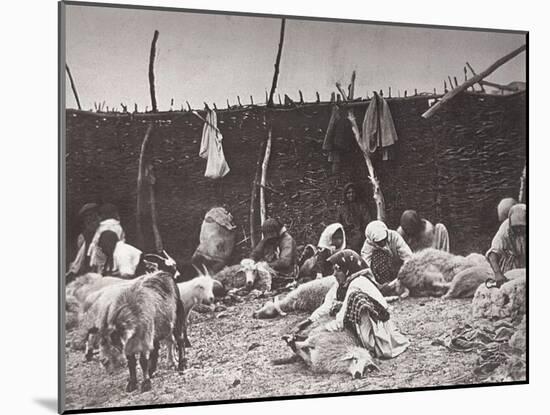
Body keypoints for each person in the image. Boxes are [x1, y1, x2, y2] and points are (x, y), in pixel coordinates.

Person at [294, 250, 409, 359]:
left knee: (355, 301)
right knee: (337, 308)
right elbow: (327, 305)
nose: (334, 274)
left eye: (338, 270)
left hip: (378, 331)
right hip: (364, 326)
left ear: (347, 270)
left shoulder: (357, 283)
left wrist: (326, 328)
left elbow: (341, 318)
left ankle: (371, 346)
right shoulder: (342, 285)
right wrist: (309, 321)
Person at [486, 203, 526, 287]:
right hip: (512, 266)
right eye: (515, 227)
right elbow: (493, 252)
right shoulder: (505, 228)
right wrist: (497, 273)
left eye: (521, 227)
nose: (518, 230)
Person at [361, 220, 412, 285]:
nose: (383, 243)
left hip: (398, 267)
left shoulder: (394, 236)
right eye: (379, 242)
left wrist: (406, 272)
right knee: (378, 255)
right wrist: (375, 283)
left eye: (384, 240)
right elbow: (366, 267)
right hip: (382, 275)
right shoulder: (367, 247)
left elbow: (407, 256)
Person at [66, 203, 100, 281]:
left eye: (92, 215)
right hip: (89, 270)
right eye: (87, 216)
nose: (90, 218)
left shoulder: (105, 232)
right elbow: (80, 256)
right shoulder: (83, 237)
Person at [88, 203, 126, 272]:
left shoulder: (101, 227)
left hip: (101, 252)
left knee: (100, 269)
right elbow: (122, 240)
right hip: (115, 251)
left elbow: (95, 241)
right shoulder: (118, 226)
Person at [337, 183, 373, 253]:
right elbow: (338, 224)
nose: (351, 195)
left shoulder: (362, 206)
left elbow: (368, 222)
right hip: (346, 236)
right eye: (348, 193)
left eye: (353, 192)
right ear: (345, 194)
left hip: (360, 235)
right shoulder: (342, 208)